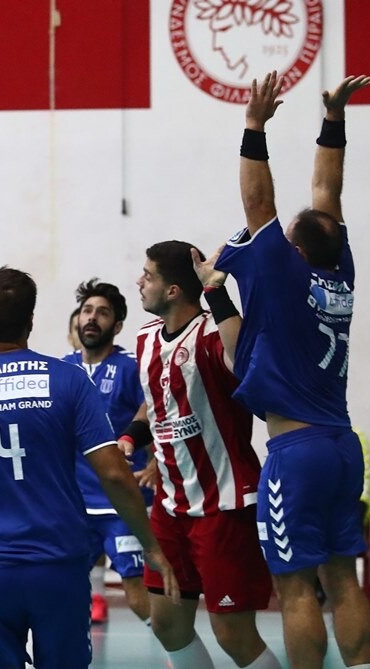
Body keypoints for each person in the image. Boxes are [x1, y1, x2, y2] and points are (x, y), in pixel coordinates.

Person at [0, 267, 178, 669]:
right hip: (58, 561)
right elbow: (114, 473)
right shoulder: (69, 380)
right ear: (31, 321)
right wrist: (152, 545)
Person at [206, 71, 370, 669]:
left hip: (296, 452)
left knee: (296, 587)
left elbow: (259, 204)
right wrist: (334, 119)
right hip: (342, 445)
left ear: (293, 250)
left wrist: (254, 126)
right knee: (343, 577)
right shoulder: (338, 270)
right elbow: (328, 193)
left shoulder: (284, 272)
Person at [124, 241, 281, 669]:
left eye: (148, 275)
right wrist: (131, 437)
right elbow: (156, 398)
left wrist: (216, 289)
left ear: (173, 290)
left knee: (233, 635)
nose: (139, 281)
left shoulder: (214, 333)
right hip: (170, 507)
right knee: (167, 624)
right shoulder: (145, 338)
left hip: (223, 504)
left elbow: (243, 359)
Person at [63, 279, 151, 625]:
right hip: (75, 504)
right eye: (87, 310)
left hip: (122, 503)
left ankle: (180, 649)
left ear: (116, 326)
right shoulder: (62, 369)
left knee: (137, 591)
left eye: (102, 313)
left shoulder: (131, 367)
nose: (91, 318)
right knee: (62, 588)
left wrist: (156, 463)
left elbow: (155, 411)